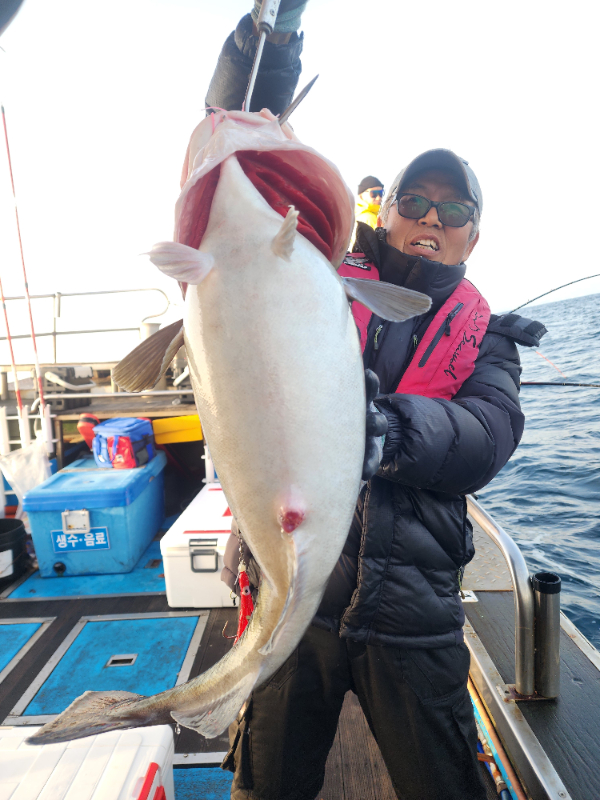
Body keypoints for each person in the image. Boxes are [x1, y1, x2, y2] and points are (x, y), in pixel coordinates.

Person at [208, 6, 546, 800]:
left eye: (453, 211)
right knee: (267, 785)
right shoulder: (318, 267)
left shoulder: (489, 336)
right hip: (298, 597)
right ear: (383, 213)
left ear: (472, 237)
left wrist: (383, 430)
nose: (431, 219)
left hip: (414, 613)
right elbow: (241, 147)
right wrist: (272, 41)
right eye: (414, 202)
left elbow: (487, 433)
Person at [350, 176, 385, 247]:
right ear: (361, 196)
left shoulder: (352, 216)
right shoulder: (369, 218)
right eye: (373, 194)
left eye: (381, 193)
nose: (378, 198)